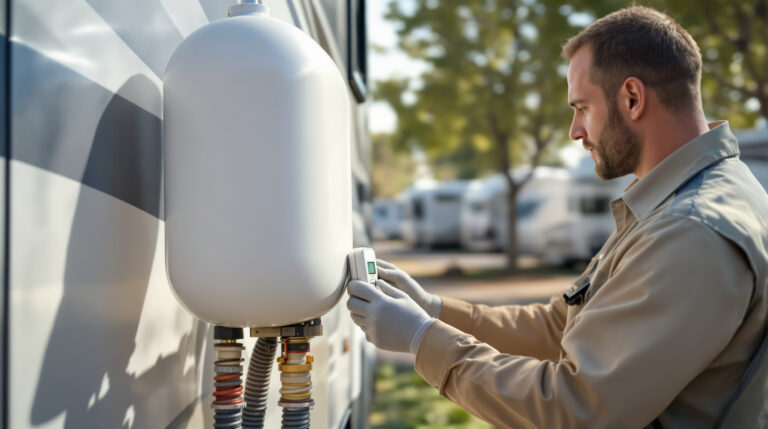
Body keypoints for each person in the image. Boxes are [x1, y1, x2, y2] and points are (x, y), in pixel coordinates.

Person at [346, 6, 768, 428]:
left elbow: (577, 411)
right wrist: (432, 309)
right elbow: (562, 326)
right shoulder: (691, 195)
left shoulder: (689, 229)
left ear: (633, 99)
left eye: (581, 107)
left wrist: (422, 340)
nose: (575, 131)